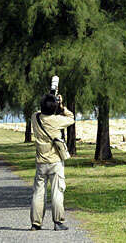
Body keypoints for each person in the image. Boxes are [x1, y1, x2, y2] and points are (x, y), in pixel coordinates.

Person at [30, 93, 75, 231]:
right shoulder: (56, 120)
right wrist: (61, 105)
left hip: (40, 162)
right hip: (55, 161)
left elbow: (41, 110)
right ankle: (58, 222)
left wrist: (50, 102)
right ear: (54, 107)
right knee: (57, 192)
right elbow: (71, 118)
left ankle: (36, 223)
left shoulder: (35, 117)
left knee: (38, 193)